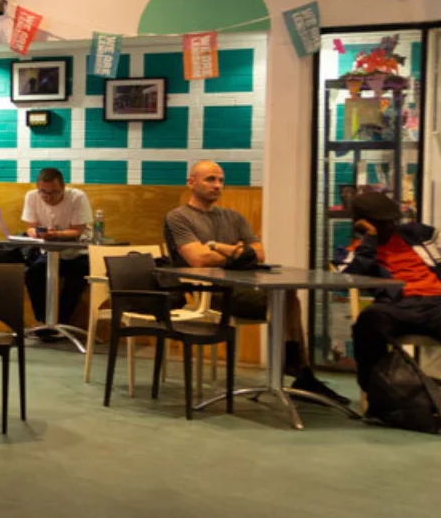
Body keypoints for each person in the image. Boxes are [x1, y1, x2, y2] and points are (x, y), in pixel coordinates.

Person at [164, 160, 338, 402]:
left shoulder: (233, 217)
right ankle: (298, 369)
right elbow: (198, 259)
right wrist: (235, 253)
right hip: (209, 293)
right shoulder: (178, 217)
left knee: (286, 293)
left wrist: (219, 248)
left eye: (221, 180)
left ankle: (295, 368)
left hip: (242, 287)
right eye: (210, 179)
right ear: (191, 182)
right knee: (284, 297)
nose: (217, 185)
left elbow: (258, 253)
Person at [336, 192, 441, 420]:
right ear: (362, 223)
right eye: (381, 222)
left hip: (437, 302)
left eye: (391, 221)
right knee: (369, 321)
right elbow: (347, 279)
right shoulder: (356, 250)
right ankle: (378, 397)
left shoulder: (419, 235)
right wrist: (369, 240)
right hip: (399, 306)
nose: (389, 226)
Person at [20, 167, 92, 333]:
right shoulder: (32, 197)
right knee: (33, 273)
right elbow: (31, 226)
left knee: (78, 276)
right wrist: (35, 234)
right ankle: (45, 321)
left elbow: (78, 230)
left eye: (54, 192)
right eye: (43, 192)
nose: (48, 197)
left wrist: (56, 234)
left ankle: (61, 322)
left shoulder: (77, 197)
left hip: (78, 252)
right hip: (50, 251)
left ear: (63, 188)